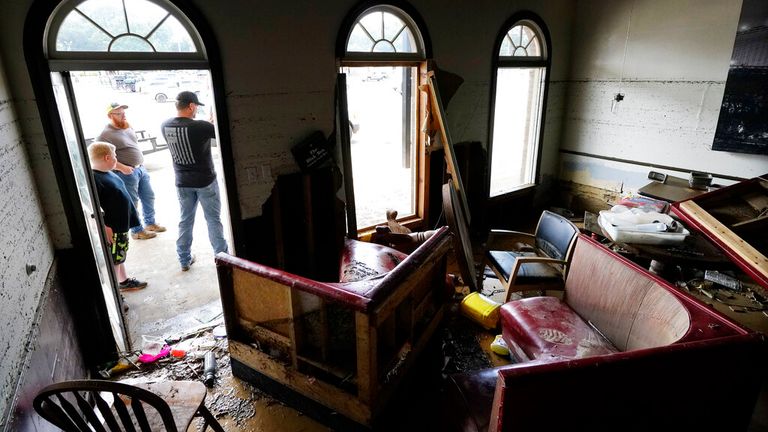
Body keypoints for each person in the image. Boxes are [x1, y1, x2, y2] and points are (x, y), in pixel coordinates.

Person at [161, 91, 228, 271]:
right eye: (196, 106)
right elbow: (221, 133)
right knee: (213, 220)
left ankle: (183, 259)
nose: (196, 109)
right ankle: (223, 262)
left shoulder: (165, 125)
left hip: (182, 182)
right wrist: (209, 122)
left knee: (185, 220)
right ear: (191, 106)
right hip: (205, 181)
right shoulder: (201, 127)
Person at [97, 102, 166, 240]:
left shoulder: (128, 126)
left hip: (140, 169)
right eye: (119, 113)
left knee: (148, 196)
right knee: (132, 202)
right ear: (110, 115)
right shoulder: (105, 135)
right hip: (126, 173)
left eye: (124, 112)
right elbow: (100, 157)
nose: (123, 115)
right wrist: (122, 167)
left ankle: (150, 223)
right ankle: (137, 231)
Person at [87, 141, 148, 291]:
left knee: (120, 256)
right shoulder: (95, 178)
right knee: (115, 259)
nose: (116, 159)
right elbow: (94, 207)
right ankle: (116, 291)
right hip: (112, 227)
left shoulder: (108, 172)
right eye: (115, 156)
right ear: (107, 158)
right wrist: (103, 226)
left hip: (120, 225)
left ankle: (124, 281)